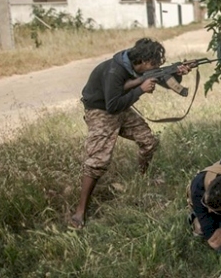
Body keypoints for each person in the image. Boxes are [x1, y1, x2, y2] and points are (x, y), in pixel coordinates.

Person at [70, 37, 191, 229]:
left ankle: (142, 178)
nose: (156, 65)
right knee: (98, 160)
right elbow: (112, 106)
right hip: (101, 110)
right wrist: (141, 90)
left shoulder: (139, 66)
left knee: (149, 141)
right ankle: (80, 211)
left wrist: (178, 73)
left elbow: (164, 80)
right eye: (153, 63)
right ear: (141, 61)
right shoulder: (114, 71)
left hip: (120, 107)